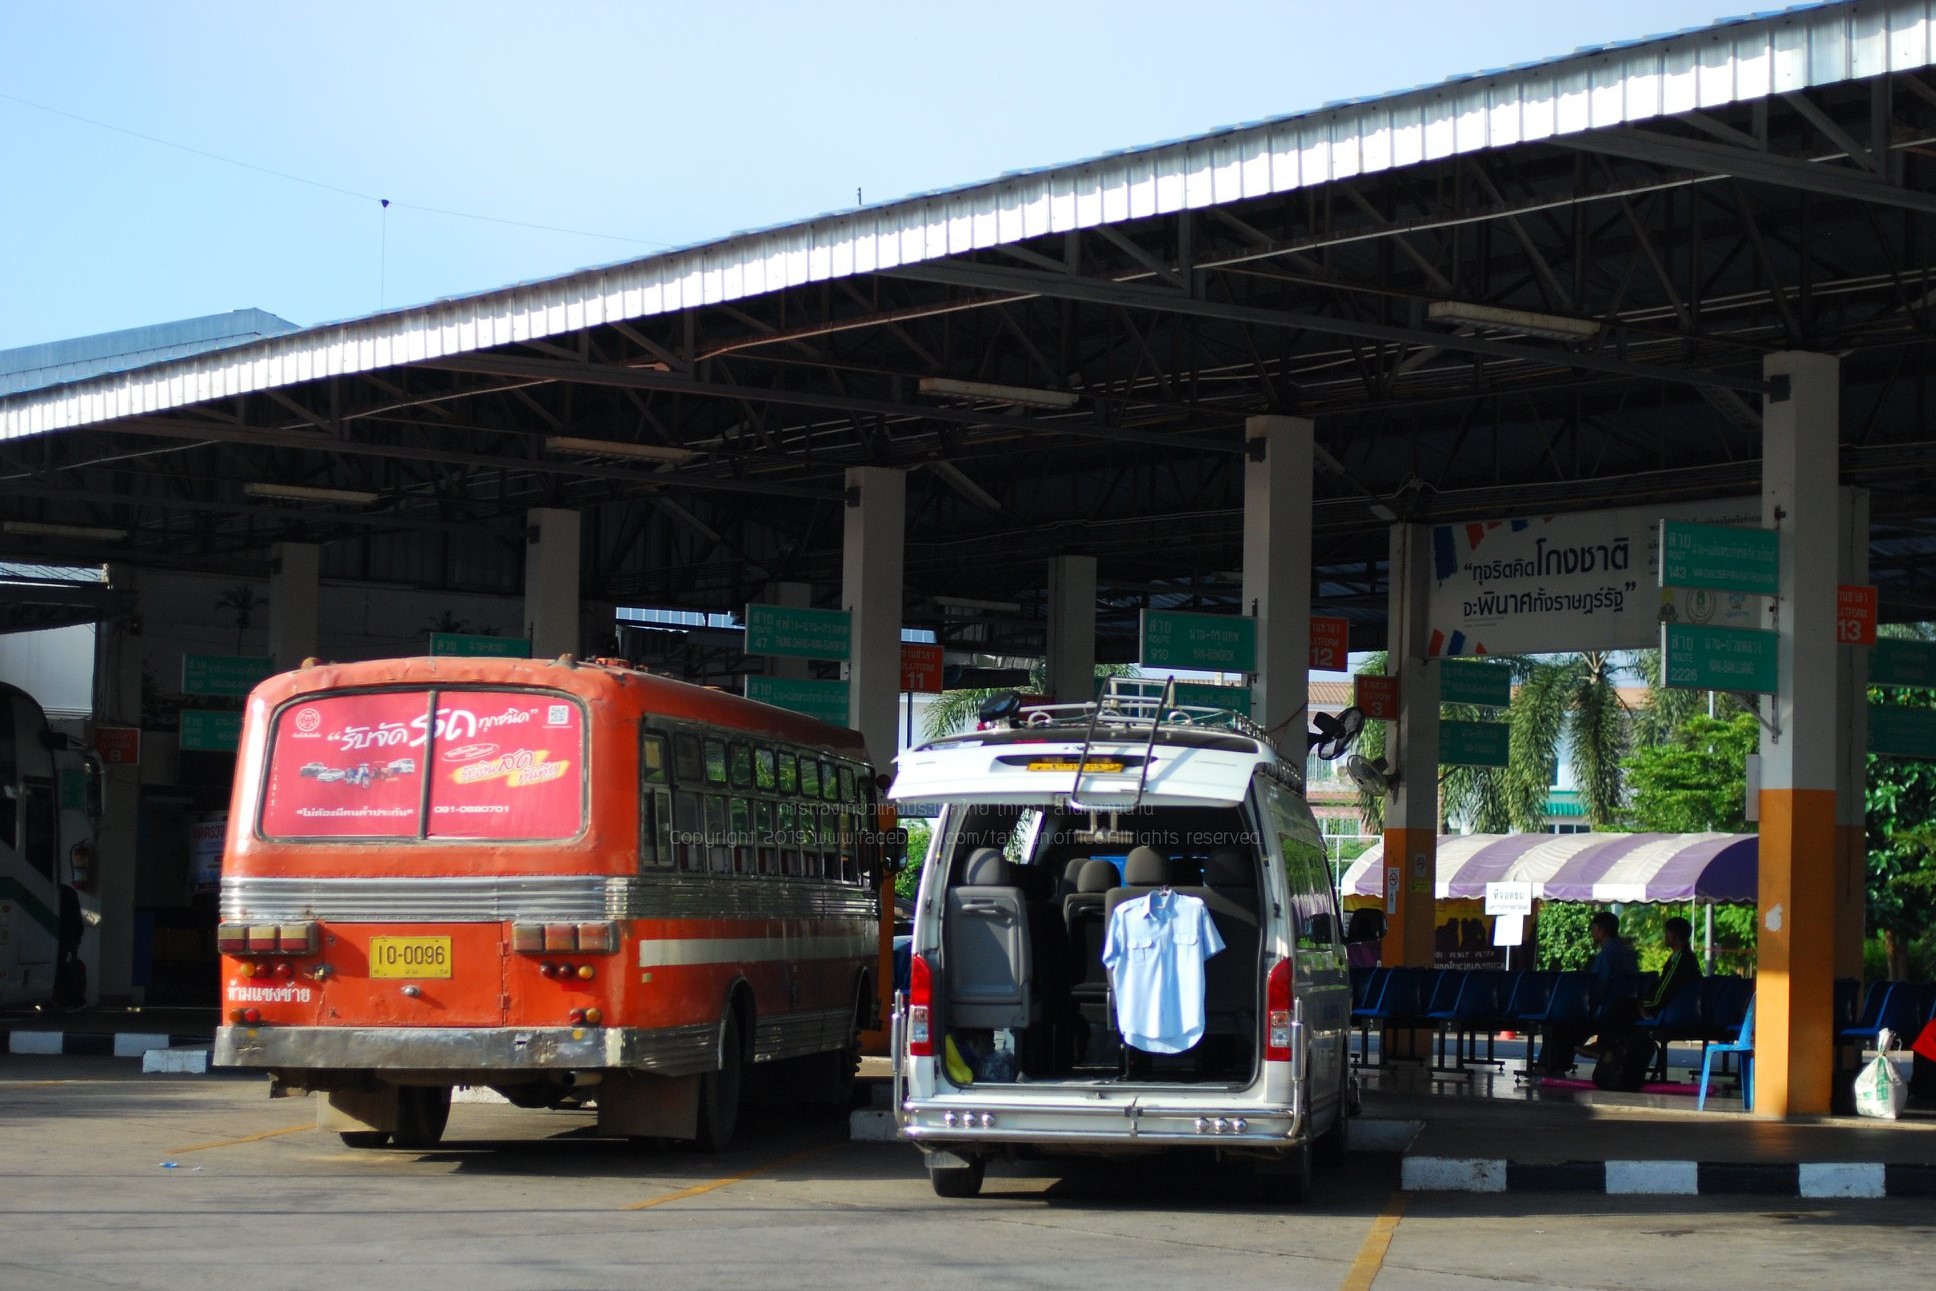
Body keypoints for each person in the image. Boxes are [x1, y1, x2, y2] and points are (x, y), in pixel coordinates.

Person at [1536, 910, 1638, 1076]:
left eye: (1594, 928)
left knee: (1560, 1023)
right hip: (1625, 1008)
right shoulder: (1627, 952)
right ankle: (1558, 1064)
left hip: (1607, 1009)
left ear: (1601, 931)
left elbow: (1599, 985)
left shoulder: (1606, 954)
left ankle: (1549, 1066)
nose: (1592, 932)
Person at [1639, 916, 1701, 1019]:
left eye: (1666, 933)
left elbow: (1666, 987)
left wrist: (1645, 1004)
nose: (1665, 936)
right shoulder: (1682, 956)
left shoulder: (1681, 959)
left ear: (1673, 936)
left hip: (1674, 1008)